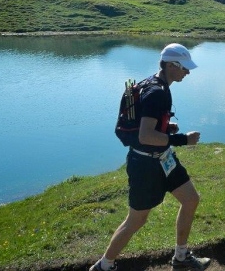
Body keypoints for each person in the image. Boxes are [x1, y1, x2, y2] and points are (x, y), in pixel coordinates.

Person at [90, 43, 211, 271]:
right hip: (146, 165)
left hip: (163, 159)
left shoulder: (153, 83)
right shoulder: (157, 93)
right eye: (184, 67)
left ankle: (181, 258)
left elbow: (147, 126)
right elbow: (145, 136)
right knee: (136, 220)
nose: (187, 72)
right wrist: (183, 139)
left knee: (191, 199)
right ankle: (103, 266)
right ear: (171, 65)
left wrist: (165, 128)